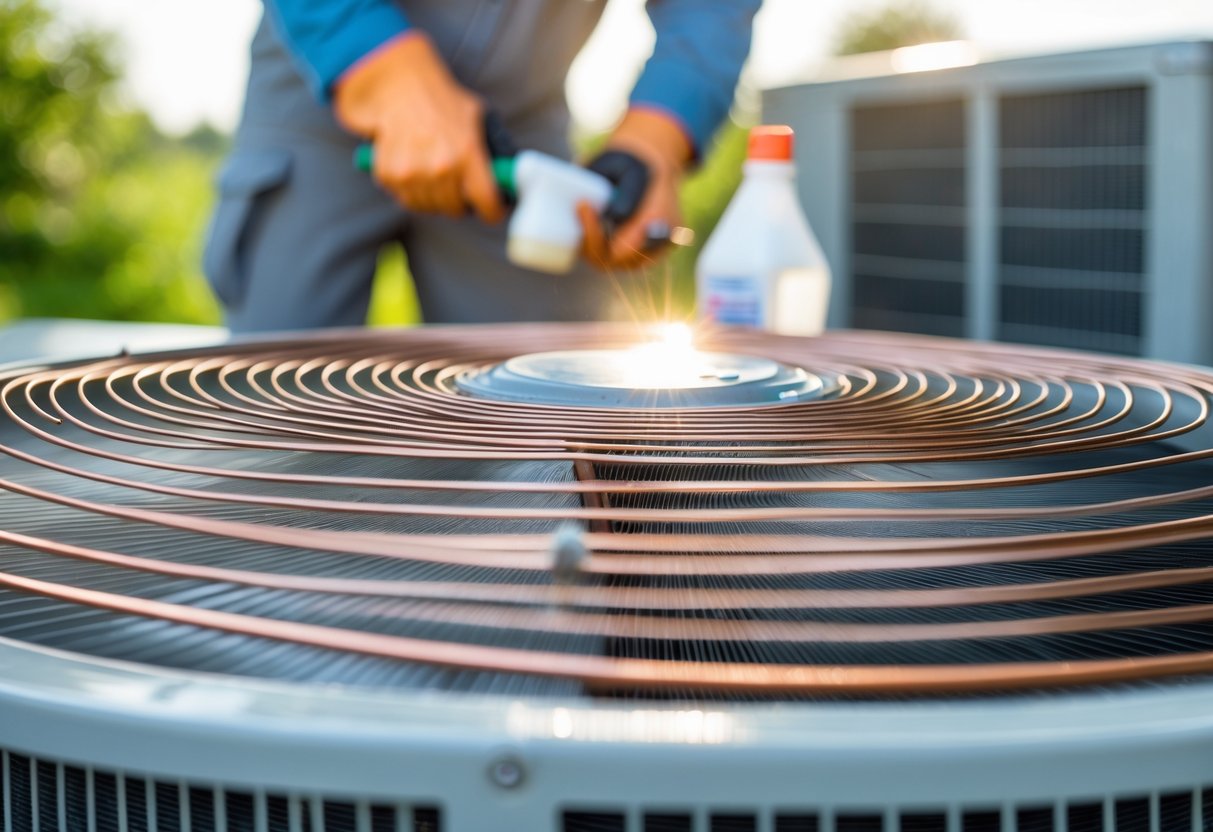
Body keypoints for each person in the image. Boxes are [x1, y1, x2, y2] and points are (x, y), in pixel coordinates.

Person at [204, 0, 761, 334]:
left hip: (521, 127)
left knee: (543, 419)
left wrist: (657, 136)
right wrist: (383, 73)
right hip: (320, 85)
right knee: (279, 404)